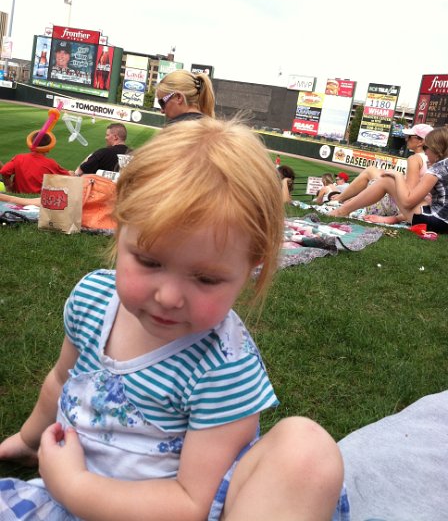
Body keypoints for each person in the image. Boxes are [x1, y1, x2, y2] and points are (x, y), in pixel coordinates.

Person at [0, 117, 347, 521]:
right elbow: (61, 380)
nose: (168, 297)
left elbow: (190, 503)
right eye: (149, 261)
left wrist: (73, 485)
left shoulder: (222, 365)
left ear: (251, 267)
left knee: (305, 449)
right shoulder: (93, 299)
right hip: (68, 496)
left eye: (206, 279)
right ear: (119, 228)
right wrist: (28, 441)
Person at [329, 126, 448, 233]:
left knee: (387, 181)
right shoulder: (444, 165)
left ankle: (341, 210)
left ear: (436, 148)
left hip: (434, 220)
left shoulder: (436, 168)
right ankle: (342, 206)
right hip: (441, 220)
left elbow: (407, 202)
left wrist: (398, 176)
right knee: (388, 180)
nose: (425, 152)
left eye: (426, 147)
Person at [0, 133, 70, 194]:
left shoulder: (19, 158)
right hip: (38, 200)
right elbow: (68, 176)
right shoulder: (51, 163)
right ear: (48, 148)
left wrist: (8, 186)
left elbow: (4, 171)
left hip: (18, 197)